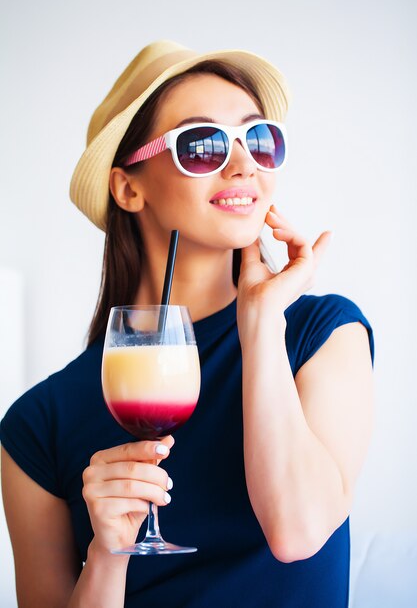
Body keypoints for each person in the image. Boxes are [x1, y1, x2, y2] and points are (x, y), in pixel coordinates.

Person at [0, 40, 375, 608]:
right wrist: (107, 555)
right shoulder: (37, 424)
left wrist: (262, 323)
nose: (244, 164)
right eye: (203, 145)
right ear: (128, 187)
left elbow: (298, 532)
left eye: (258, 139)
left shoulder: (321, 334)